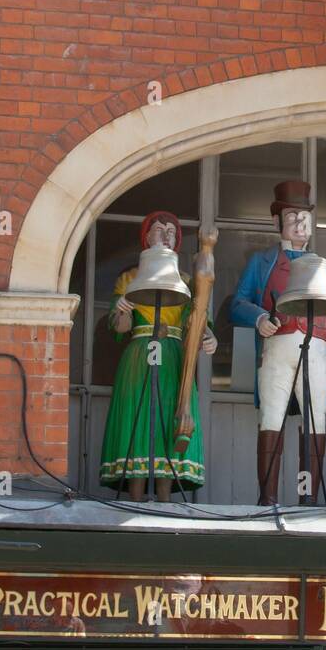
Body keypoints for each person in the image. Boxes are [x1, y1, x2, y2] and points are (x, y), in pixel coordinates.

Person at [231, 180, 326, 505]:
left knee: (314, 422)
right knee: (272, 418)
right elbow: (237, 303)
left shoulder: (324, 268)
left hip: (317, 352)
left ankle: (306, 498)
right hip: (277, 350)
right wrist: (259, 318)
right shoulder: (262, 262)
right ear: (277, 222)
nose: (300, 224)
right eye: (293, 216)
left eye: (304, 217)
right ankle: (268, 499)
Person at [100, 211, 216, 501]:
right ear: (146, 236)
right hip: (139, 354)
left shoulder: (187, 280)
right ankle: (135, 494)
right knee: (138, 422)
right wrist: (124, 306)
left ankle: (166, 497)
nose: (165, 235)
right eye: (158, 230)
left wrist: (208, 335)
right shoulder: (129, 277)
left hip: (175, 358)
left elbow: (198, 320)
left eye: (172, 232)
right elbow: (120, 327)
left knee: (169, 418)